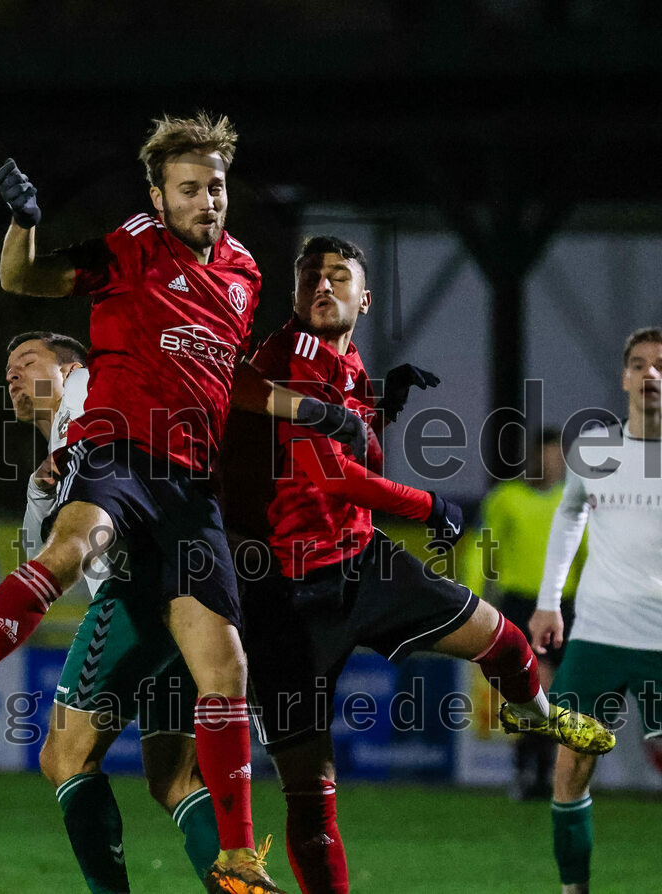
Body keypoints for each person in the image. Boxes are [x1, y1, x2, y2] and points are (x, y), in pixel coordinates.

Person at [0, 112, 363, 894]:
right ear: (158, 195)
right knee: (72, 547)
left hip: (191, 491)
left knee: (225, 668)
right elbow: (25, 279)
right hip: (121, 457)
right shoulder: (131, 247)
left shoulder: (247, 274)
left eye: (216, 187)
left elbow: (233, 379)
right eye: (190, 188)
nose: (207, 201)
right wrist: (24, 224)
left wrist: (311, 408)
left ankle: (237, 860)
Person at [222, 235, 616, 894]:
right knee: (311, 797)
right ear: (293, 296)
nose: (323, 287)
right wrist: (428, 503)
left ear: (364, 299)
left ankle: (539, 716)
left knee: (505, 641)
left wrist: (376, 404)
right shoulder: (288, 363)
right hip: (284, 592)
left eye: (339, 277)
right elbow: (329, 473)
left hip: (361, 560)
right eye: (311, 277)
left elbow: (339, 453)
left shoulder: (342, 365)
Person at [5, 329, 219, 891]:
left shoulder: (88, 392)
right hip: (191, 591)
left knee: (64, 756)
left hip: (138, 590)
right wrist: (41, 490)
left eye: (26, 362)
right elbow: (43, 563)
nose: (13, 378)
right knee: (174, 777)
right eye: (6, 375)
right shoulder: (52, 461)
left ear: (69, 366)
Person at [530, 326, 662, 894]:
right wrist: (547, 603)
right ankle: (573, 890)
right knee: (571, 767)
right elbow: (568, 516)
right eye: (639, 364)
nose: (650, 374)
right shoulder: (596, 450)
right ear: (624, 377)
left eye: (660, 364)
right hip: (600, 633)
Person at [464, 428, 587, 800]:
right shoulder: (507, 498)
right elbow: (483, 548)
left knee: (553, 693)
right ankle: (529, 770)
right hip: (520, 605)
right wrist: (471, 598)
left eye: (558, 456)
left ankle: (540, 771)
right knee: (532, 689)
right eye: (546, 456)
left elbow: (587, 553)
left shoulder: (573, 500)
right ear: (533, 458)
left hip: (563, 607)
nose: (553, 464)